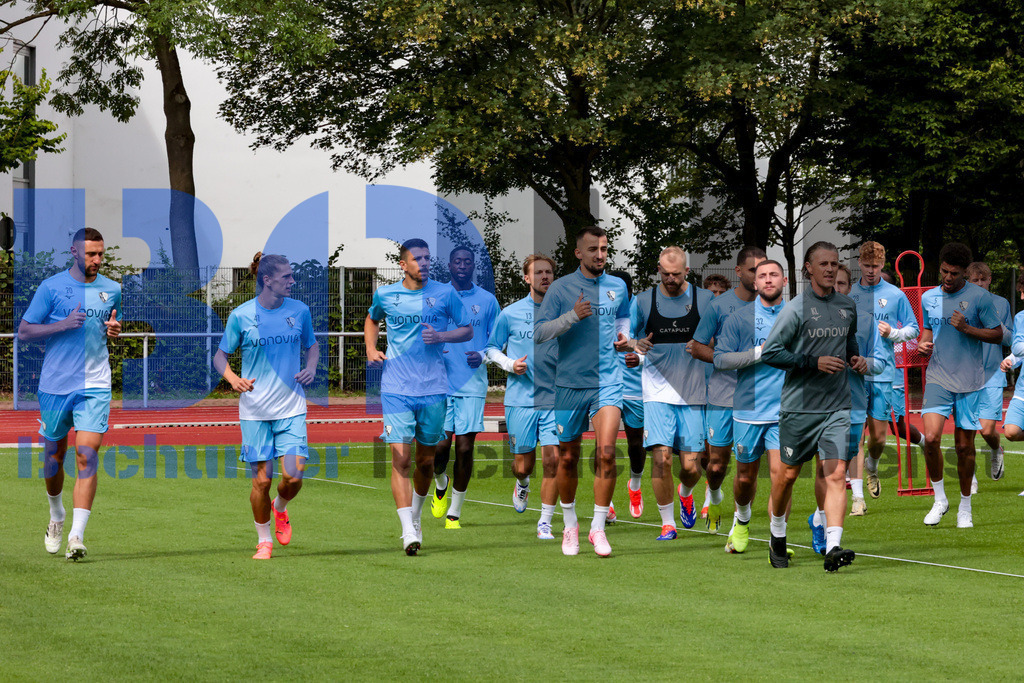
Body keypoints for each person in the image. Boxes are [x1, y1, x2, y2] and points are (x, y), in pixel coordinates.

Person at [364, 239, 473, 555]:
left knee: (426, 461)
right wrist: (371, 349)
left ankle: (416, 516)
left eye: (427, 257)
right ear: (403, 264)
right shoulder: (386, 294)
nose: (424, 262)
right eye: (417, 258)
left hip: (434, 389)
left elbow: (466, 329)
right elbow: (372, 319)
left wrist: (441, 336)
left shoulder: (445, 293)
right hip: (396, 388)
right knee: (401, 459)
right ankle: (407, 529)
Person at [20, 227, 122, 560]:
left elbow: (110, 327)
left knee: (86, 455)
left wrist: (115, 330)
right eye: (91, 253)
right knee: (54, 457)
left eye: (101, 253)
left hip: (95, 385)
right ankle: (56, 514)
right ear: (74, 252)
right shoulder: (51, 288)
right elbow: (25, 331)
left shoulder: (112, 289)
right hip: (55, 385)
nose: (97, 259)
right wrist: (61, 325)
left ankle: (76, 536)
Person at [762, 241, 865, 572]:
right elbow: (771, 352)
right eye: (823, 264)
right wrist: (812, 361)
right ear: (808, 268)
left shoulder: (847, 305)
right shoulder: (795, 309)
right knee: (787, 476)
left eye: (834, 263)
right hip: (800, 408)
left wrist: (856, 359)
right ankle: (777, 533)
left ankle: (833, 546)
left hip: (837, 405)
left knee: (836, 473)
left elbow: (849, 343)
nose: (830, 269)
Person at [215, 253, 318, 560]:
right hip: (255, 411)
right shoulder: (241, 315)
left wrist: (311, 367)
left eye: (292, 275)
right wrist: (233, 379)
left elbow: (312, 346)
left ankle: (280, 506)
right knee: (262, 480)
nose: (292, 281)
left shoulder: (299, 311)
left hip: (291, 408)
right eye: (287, 276)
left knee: (293, 476)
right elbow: (220, 356)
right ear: (268, 280)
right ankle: (264, 541)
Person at [535, 226, 630, 557]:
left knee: (607, 453)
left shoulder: (618, 286)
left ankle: (598, 528)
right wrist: (572, 317)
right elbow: (539, 332)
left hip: (608, 383)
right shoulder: (561, 288)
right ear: (578, 253)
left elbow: (623, 322)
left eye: (604, 249)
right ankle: (570, 524)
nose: (600, 255)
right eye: (593, 249)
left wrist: (625, 340)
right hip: (569, 384)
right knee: (568, 458)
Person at [625, 247, 714, 540]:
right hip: (656, 392)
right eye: (665, 274)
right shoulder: (643, 301)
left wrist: (705, 349)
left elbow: (722, 339)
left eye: (676, 274)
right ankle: (668, 523)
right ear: (659, 270)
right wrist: (635, 347)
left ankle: (685, 492)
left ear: (687, 271)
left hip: (693, 393)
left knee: (691, 468)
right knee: (661, 459)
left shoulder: (705, 299)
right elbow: (626, 339)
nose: (670, 279)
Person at [917, 243, 1004, 528]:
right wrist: (923, 344)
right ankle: (940, 499)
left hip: (969, 381)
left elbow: (997, 334)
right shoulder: (929, 297)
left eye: (954, 273)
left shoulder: (980, 297)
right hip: (937, 377)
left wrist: (966, 328)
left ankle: (965, 507)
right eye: (944, 271)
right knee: (931, 438)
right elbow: (927, 330)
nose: (948, 277)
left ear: (965, 272)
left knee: (964, 447)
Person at [689, 246, 766, 532]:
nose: (758, 276)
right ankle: (713, 495)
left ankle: (739, 524)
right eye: (753, 270)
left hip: (758, 398)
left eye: (763, 271)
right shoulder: (719, 306)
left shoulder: (774, 306)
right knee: (717, 465)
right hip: (722, 394)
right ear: (738, 271)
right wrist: (728, 359)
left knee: (748, 467)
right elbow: (696, 347)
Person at [712, 259, 787, 554]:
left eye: (774, 275)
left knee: (782, 476)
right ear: (754, 283)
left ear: (784, 281)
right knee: (745, 478)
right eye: (762, 275)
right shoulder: (739, 319)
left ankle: (777, 537)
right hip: (748, 409)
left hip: (785, 410)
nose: (768, 280)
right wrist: (759, 353)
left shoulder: (797, 316)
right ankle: (741, 520)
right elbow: (721, 359)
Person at [484, 254, 561, 538]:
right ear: (527, 278)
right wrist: (510, 364)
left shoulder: (565, 312)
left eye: (549, 272)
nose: (545, 276)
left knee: (553, 460)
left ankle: (545, 521)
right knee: (522, 466)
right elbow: (491, 348)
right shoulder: (510, 313)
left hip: (556, 400)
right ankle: (522, 483)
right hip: (520, 400)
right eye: (538, 272)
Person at [430, 247, 499, 529]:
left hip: (472, 384)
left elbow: (498, 341)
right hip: (439, 384)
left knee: (465, 448)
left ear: (473, 266)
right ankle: (440, 482)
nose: (462, 265)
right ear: (449, 265)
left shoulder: (488, 300)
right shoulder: (436, 297)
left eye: (467, 262)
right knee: (439, 449)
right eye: (457, 261)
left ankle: (454, 514)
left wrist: (482, 355)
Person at [848, 243, 919, 501]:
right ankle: (857, 498)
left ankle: (872, 466)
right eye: (867, 265)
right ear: (859, 263)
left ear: (882, 264)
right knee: (856, 435)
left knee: (878, 438)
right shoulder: (849, 293)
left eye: (876, 266)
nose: (871, 270)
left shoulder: (895, 294)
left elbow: (914, 329)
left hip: (883, 373)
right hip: (854, 373)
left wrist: (893, 333)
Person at [835, 270, 889, 519]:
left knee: (855, 445)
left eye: (841, 283)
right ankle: (825, 508)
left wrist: (866, 363)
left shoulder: (866, 321)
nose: (836, 287)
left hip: (854, 392)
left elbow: (881, 362)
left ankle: (858, 498)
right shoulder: (808, 318)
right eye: (833, 282)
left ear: (849, 288)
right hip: (818, 395)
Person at [965, 261, 1012, 488]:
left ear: (990, 280)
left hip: (993, 373)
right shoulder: (960, 303)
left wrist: (994, 322)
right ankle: (970, 478)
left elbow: (1010, 339)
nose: (980, 283)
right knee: (968, 430)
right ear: (968, 281)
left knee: (987, 429)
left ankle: (996, 449)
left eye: (983, 279)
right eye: (975, 280)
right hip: (964, 375)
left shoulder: (1001, 303)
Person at [607, 269, 644, 521]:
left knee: (636, 444)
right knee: (605, 446)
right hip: (607, 386)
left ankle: (635, 485)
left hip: (635, 387)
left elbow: (653, 343)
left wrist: (636, 351)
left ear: (629, 291)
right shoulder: (602, 306)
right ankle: (606, 502)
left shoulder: (641, 308)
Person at [880, 269, 925, 454]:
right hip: (869, 376)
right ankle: (865, 467)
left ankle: (926, 444)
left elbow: (913, 344)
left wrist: (892, 336)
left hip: (894, 378)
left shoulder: (900, 318)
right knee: (861, 423)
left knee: (897, 427)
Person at [999, 270, 1024, 492]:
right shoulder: (1021, 318)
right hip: (1022, 390)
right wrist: (1010, 360)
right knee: (1011, 431)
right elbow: (1017, 348)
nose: (1022, 296)